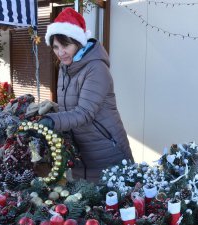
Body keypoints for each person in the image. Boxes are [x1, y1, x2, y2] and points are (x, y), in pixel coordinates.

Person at [40, 8, 134, 183]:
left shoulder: (96, 68)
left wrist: (52, 121)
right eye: (55, 47)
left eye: (65, 45)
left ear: (78, 42)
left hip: (106, 151)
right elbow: (69, 107)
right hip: (81, 154)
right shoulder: (65, 68)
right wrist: (52, 111)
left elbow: (84, 112)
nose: (60, 53)